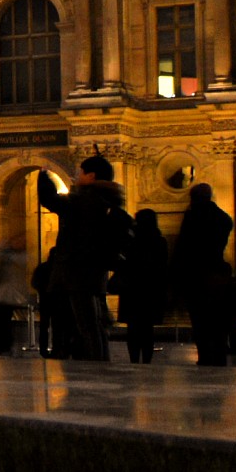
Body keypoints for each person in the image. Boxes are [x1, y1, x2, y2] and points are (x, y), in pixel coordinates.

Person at [39, 156, 130, 362]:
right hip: (94, 269)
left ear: (91, 176)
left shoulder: (85, 199)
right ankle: (99, 360)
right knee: (94, 322)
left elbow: (50, 200)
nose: (77, 176)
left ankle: (96, 365)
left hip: (77, 270)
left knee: (86, 324)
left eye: (80, 172)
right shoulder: (107, 199)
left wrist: (44, 175)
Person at [173, 183, 236, 366]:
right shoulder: (223, 218)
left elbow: (183, 248)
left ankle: (205, 355)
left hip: (195, 275)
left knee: (199, 320)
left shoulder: (192, 216)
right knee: (218, 319)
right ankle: (219, 354)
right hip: (216, 272)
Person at [113, 209, 169, 364]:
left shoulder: (131, 241)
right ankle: (146, 360)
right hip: (151, 291)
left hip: (132, 290)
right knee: (147, 329)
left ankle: (134, 359)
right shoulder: (159, 241)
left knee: (133, 329)